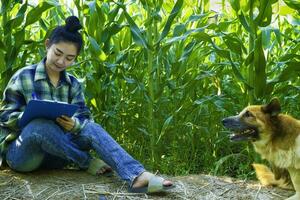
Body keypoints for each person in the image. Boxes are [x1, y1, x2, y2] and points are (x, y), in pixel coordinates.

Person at [0, 16, 173, 193]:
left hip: (58, 153)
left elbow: (84, 116)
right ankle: (87, 162)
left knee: (91, 128)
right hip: (24, 155)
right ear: (47, 45)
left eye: (69, 58)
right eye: (57, 53)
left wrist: (74, 124)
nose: (61, 62)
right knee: (40, 126)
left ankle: (137, 176)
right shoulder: (23, 77)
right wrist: (29, 116)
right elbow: (5, 117)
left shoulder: (73, 84)